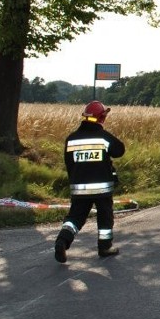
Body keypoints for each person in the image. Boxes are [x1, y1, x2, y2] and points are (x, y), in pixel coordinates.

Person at [54, 101, 126, 263]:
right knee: (105, 217)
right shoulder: (103, 138)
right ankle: (104, 247)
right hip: (102, 189)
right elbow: (119, 150)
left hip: (80, 188)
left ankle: (62, 241)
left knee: (75, 217)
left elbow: (69, 163)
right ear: (101, 118)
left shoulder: (71, 139)